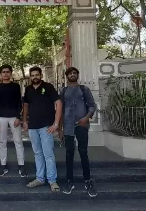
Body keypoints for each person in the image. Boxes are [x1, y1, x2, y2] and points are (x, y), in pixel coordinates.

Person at [59, 67, 98, 197]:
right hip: (68, 126)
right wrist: (60, 129)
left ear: (77, 75)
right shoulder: (63, 91)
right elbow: (60, 110)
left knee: (83, 152)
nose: (72, 75)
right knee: (69, 154)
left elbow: (92, 105)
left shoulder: (84, 89)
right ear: (67, 76)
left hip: (82, 125)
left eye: (74, 73)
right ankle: (69, 181)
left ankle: (87, 180)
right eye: (70, 73)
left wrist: (86, 118)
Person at [22, 66, 62, 191]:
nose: (34, 77)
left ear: (41, 75)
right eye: (32, 75)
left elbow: (59, 103)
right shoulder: (28, 89)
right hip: (32, 127)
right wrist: (24, 121)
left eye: (36, 75)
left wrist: (55, 124)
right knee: (37, 153)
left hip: (46, 127)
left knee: (48, 154)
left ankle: (52, 181)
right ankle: (40, 178)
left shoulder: (48, 87)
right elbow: (26, 105)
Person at [0, 64, 26, 177]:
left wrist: (18, 117)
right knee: (2, 142)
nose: (5, 74)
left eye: (7, 72)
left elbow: (18, 102)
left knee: (18, 141)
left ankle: (21, 166)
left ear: (10, 73)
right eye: (3, 72)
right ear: (1, 74)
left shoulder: (16, 86)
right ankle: (3, 165)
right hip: (1, 118)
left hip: (14, 117)